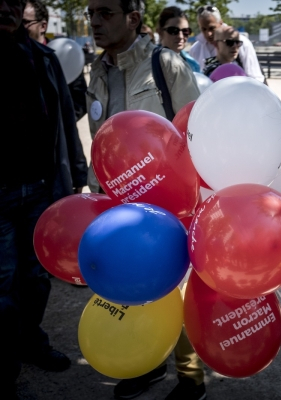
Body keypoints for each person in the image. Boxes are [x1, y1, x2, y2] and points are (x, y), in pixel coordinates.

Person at [85, 0, 204, 399]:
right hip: (118, 204)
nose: (95, 22)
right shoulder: (97, 70)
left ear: (132, 19)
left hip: (170, 202)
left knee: (178, 286)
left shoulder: (164, 63)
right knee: (131, 284)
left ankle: (191, 379)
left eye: (105, 13)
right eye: (90, 14)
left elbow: (195, 128)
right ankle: (146, 364)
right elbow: (101, 140)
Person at [0, 0, 88, 397]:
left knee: (36, 278)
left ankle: (31, 341)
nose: (6, 8)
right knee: (4, 282)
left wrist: (77, 175)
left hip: (39, 188)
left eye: (14, 2)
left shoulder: (43, 58)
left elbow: (65, 121)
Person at [23, 0, 88, 121]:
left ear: (43, 26)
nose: (20, 27)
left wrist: (59, 124)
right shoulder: (14, 56)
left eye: (25, 22)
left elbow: (80, 99)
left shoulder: (65, 54)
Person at [189, 4, 264, 82]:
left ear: (221, 23)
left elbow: (256, 79)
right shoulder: (195, 49)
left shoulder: (243, 43)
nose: (209, 34)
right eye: (204, 29)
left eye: (212, 28)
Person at [157, 6, 200, 72]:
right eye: (173, 30)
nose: (180, 36)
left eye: (185, 31)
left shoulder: (193, 64)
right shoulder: (149, 62)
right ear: (160, 32)